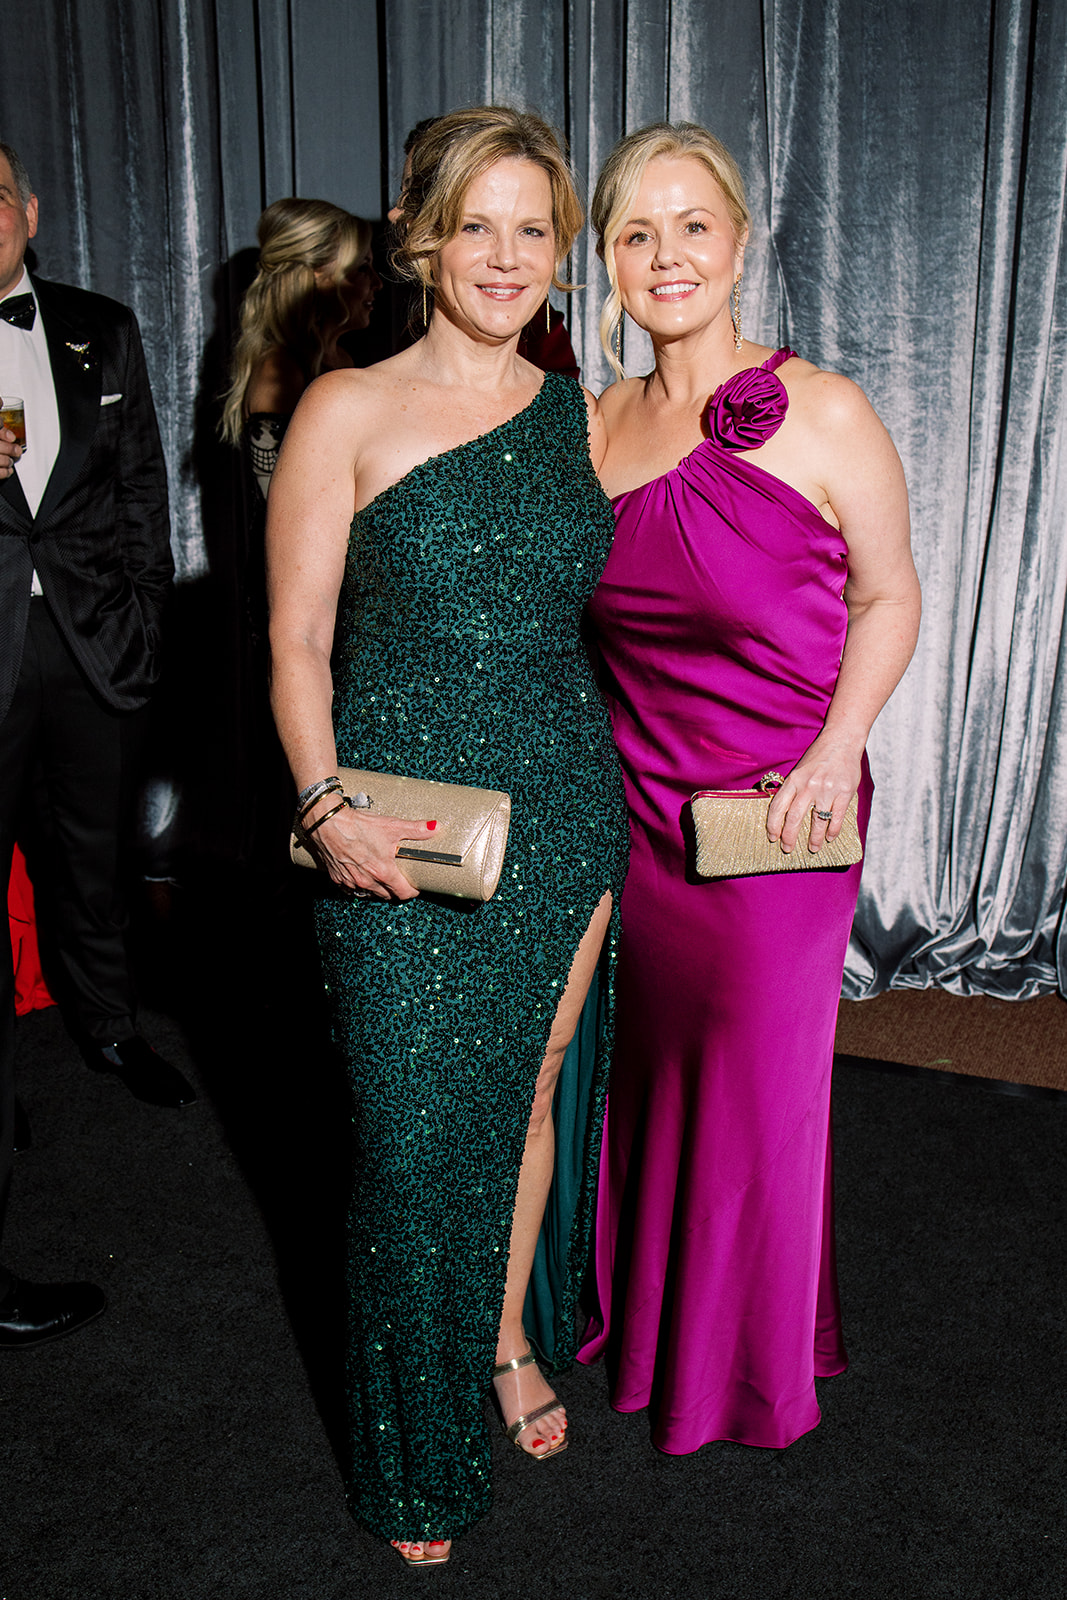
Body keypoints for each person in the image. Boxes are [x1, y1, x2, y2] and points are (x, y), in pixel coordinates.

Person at [267, 106, 628, 1564]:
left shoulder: (579, 413)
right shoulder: (342, 408)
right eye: (473, 223)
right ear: (419, 235)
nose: (502, 254)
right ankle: (411, 1452)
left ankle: (500, 1339)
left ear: (559, 251)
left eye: (531, 228)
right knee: (411, 1142)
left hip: (564, 805)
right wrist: (321, 801)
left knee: (528, 1094)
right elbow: (294, 639)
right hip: (395, 828)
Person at [578, 123, 921, 1453]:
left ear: (739, 241)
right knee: (654, 1072)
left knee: (753, 1090)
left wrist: (839, 746)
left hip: (782, 813)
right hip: (637, 811)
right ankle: (654, 1323)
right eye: (634, 232)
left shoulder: (821, 408)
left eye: (690, 226)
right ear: (606, 259)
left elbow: (887, 596)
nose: (665, 255)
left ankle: (739, 1372)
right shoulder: (592, 422)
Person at [0, 141, 190, 1346]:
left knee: (95, 856)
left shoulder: (98, 328)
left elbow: (138, 491)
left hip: (92, 648)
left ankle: (111, 1026)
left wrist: (143, 624)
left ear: (28, 209)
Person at [389, 118, 580, 378]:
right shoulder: (345, 399)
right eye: (475, 228)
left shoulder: (578, 401)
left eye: (530, 231)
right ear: (424, 236)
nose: (506, 259)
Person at [220, 197, 380, 499]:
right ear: (317, 276)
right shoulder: (278, 373)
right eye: (362, 268)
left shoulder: (340, 359)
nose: (377, 283)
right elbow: (280, 502)